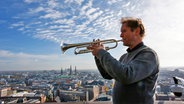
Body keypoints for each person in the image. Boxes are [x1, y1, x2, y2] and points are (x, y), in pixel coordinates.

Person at [88, 17, 159, 104]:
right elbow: (107, 74)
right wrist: (98, 56)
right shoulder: (124, 56)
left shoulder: (148, 54)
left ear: (136, 31)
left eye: (124, 31)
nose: (121, 35)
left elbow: (126, 76)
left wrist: (101, 52)